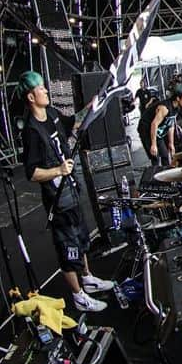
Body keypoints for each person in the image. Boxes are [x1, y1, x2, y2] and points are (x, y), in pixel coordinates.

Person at [18, 71, 114, 312]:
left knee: (81, 237)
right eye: (41, 89)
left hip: (71, 191)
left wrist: (90, 107)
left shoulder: (50, 113)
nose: (46, 91)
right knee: (68, 247)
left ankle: (88, 279)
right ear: (31, 96)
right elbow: (32, 173)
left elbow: (73, 123)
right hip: (57, 200)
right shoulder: (31, 131)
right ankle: (78, 296)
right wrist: (58, 170)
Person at [137, 84, 182, 166]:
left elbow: (170, 125)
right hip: (147, 130)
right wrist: (153, 144)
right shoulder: (164, 108)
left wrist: (171, 143)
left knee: (165, 155)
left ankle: (165, 176)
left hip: (158, 131)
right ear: (178, 98)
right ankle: (156, 176)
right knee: (155, 156)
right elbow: (154, 124)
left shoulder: (177, 108)